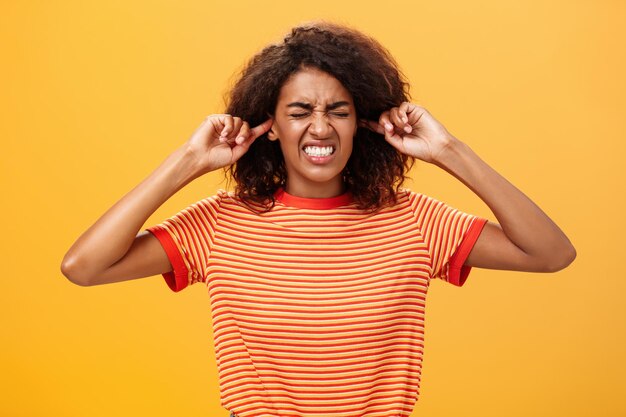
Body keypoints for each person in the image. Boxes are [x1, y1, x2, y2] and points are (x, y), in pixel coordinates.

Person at [61, 21, 576, 417]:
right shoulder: (218, 226)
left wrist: (448, 150)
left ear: (362, 123)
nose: (321, 127)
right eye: (300, 110)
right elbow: (83, 266)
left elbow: (551, 254)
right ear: (271, 126)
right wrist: (188, 162)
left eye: (340, 110)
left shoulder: (415, 221)